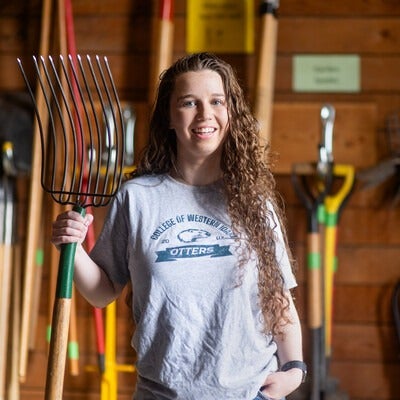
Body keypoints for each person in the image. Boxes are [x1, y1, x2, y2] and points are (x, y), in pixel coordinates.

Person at [52, 52, 305, 400]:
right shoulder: (138, 199)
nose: (205, 115)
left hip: (250, 393)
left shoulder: (253, 202)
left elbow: (277, 298)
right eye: (189, 103)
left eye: (217, 101)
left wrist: (294, 370)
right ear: (170, 117)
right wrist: (73, 248)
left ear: (230, 113)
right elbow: (102, 292)